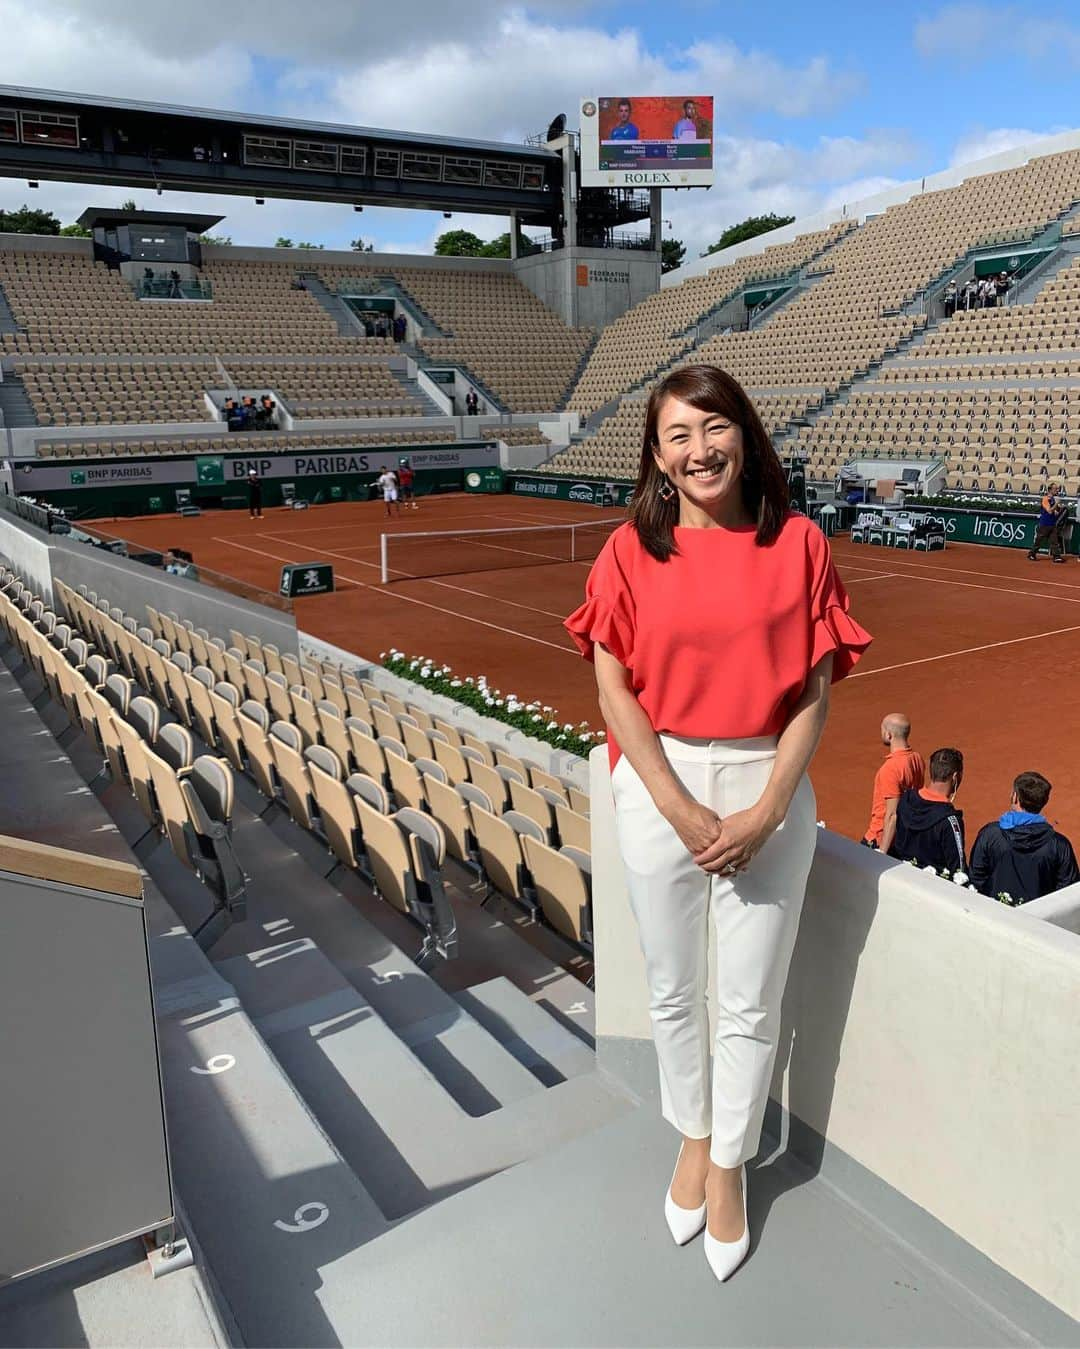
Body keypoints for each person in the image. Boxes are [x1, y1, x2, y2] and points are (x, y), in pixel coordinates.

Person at [564, 364, 871, 1283]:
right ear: (656, 457)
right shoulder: (628, 550)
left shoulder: (802, 543)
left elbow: (816, 686)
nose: (698, 451)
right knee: (671, 987)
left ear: (744, 432)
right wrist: (677, 802)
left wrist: (771, 803)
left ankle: (730, 1162)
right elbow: (613, 685)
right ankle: (692, 1137)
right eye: (676, 437)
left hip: (766, 780)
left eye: (712, 427)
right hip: (659, 785)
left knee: (748, 996)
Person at [969, 772, 1079, 903]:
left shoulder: (989, 834)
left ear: (1015, 797)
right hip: (1037, 920)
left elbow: (976, 879)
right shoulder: (1060, 845)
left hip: (996, 918)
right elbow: (1067, 891)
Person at [888, 747, 965, 873]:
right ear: (955, 777)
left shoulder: (905, 800)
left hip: (900, 880)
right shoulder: (950, 821)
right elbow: (958, 871)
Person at [862, 713, 926, 854]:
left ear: (889, 735)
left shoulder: (890, 769)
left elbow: (892, 815)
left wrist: (882, 852)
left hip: (879, 839)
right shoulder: (917, 759)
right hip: (902, 838)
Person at [1028, 483, 1067, 562]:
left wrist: (1059, 508)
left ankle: (1056, 557)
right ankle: (1032, 554)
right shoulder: (1045, 499)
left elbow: (1055, 512)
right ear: (1050, 490)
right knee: (1039, 541)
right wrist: (1056, 503)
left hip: (1052, 524)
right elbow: (1049, 511)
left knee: (1054, 541)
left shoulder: (1053, 499)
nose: (1057, 490)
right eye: (1055, 489)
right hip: (1044, 524)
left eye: (1057, 489)